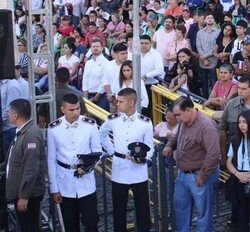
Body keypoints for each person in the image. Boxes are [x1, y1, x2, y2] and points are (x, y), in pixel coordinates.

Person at [99, 88, 154, 232]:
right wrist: (112, 151)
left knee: (143, 211)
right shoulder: (114, 120)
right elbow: (101, 134)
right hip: (119, 170)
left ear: (131, 102)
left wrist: (144, 157)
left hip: (138, 171)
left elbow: (150, 146)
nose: (117, 104)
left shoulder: (145, 122)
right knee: (118, 211)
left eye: (121, 101)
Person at [163, 97, 220, 232]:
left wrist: (203, 175)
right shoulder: (185, 121)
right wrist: (170, 145)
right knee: (181, 209)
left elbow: (213, 154)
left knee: (203, 214)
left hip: (199, 174)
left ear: (188, 110)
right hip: (184, 173)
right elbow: (177, 137)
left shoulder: (206, 125)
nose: (176, 118)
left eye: (178, 115)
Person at [47, 94, 101, 232]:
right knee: (70, 224)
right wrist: (54, 189)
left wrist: (87, 167)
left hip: (86, 183)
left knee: (91, 222)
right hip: (65, 183)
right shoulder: (54, 128)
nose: (76, 112)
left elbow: (97, 153)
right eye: (71, 110)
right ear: (62, 109)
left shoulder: (90, 125)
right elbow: (51, 160)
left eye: (78, 108)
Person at [4, 99, 47, 232]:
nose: (8, 115)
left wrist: (24, 196)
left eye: (9, 112)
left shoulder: (31, 134)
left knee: (30, 227)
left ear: (15, 115)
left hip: (29, 195)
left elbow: (30, 167)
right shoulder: (24, 131)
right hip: (23, 193)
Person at [82, 38, 110, 111]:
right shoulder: (88, 62)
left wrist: (95, 99)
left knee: (103, 120)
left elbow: (104, 81)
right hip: (88, 95)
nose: (95, 48)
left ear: (102, 48)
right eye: (93, 47)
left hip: (101, 96)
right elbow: (85, 79)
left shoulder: (106, 62)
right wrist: (85, 96)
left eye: (97, 46)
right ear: (90, 48)